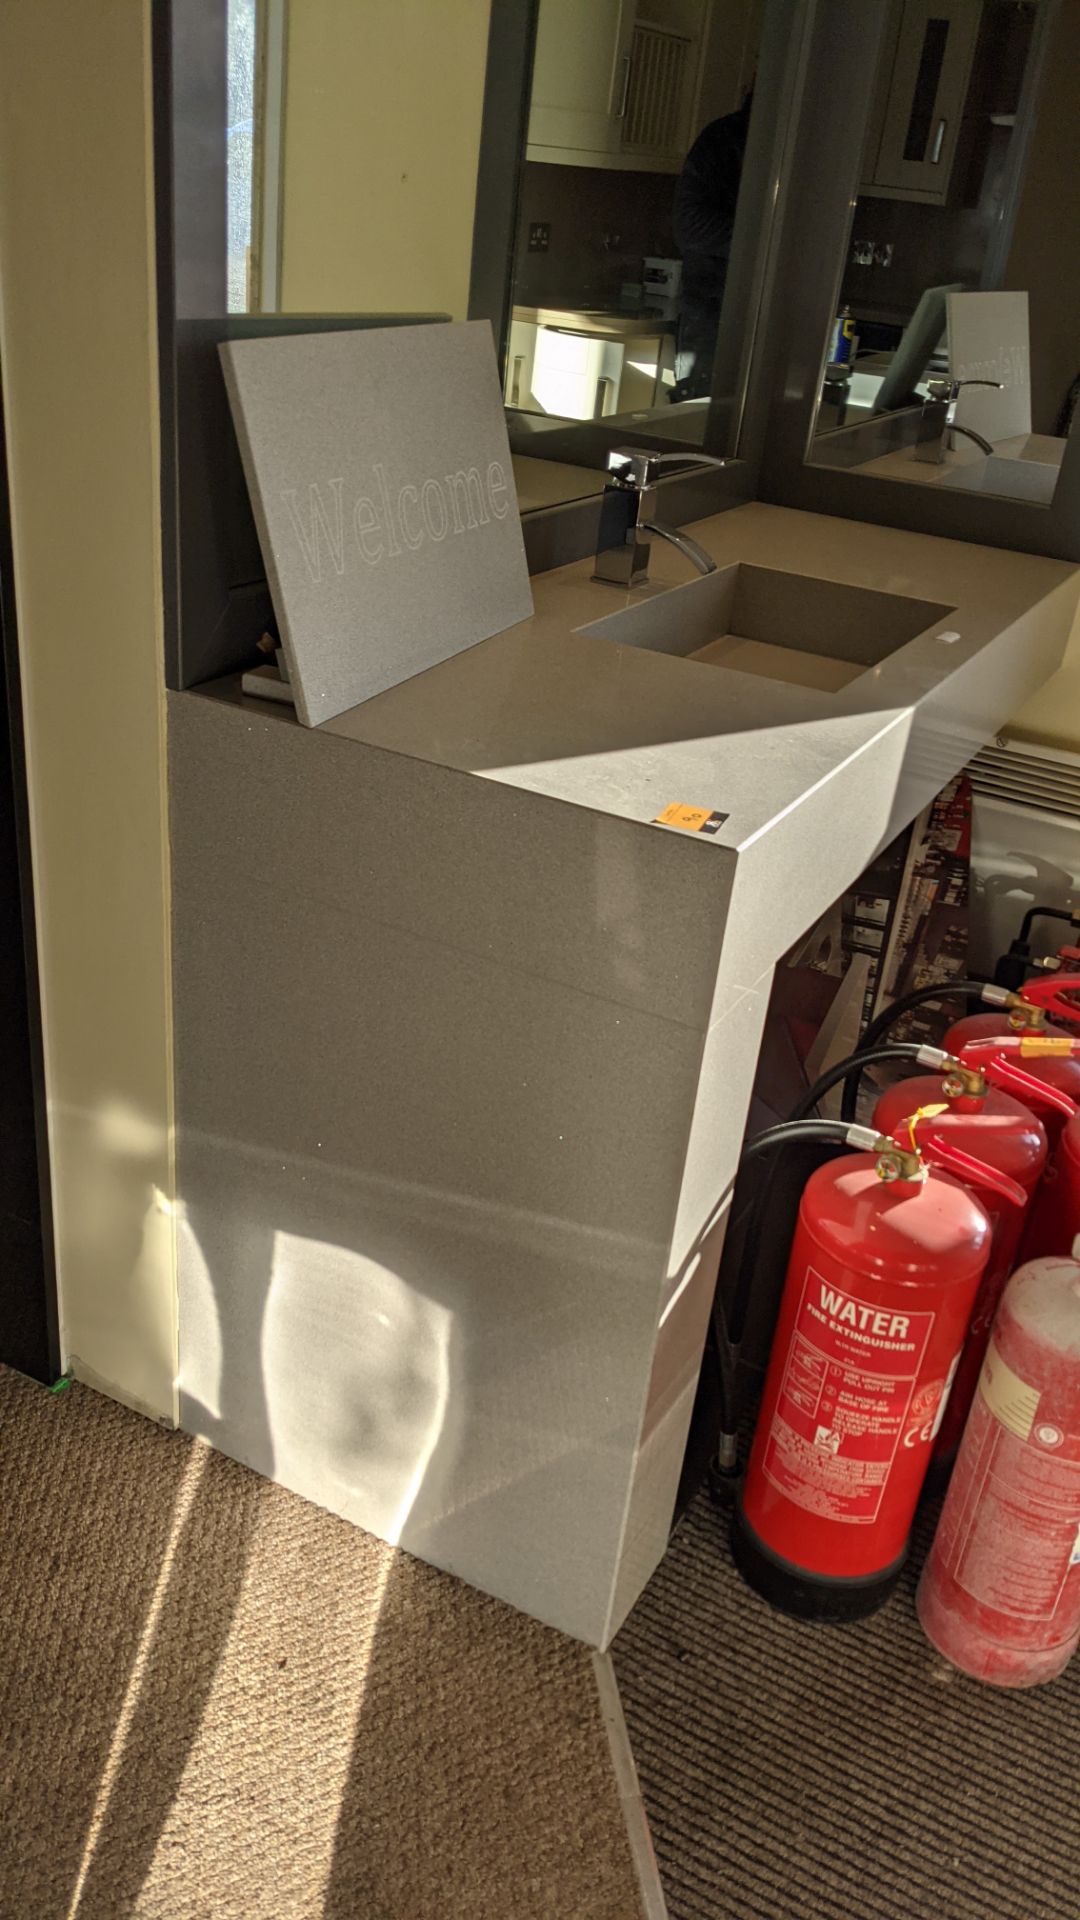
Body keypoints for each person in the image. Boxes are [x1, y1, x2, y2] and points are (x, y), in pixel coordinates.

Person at [670, 88, 753, 403]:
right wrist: (760, 246)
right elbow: (689, 226)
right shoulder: (722, 140)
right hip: (710, 311)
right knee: (696, 411)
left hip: (748, 311)